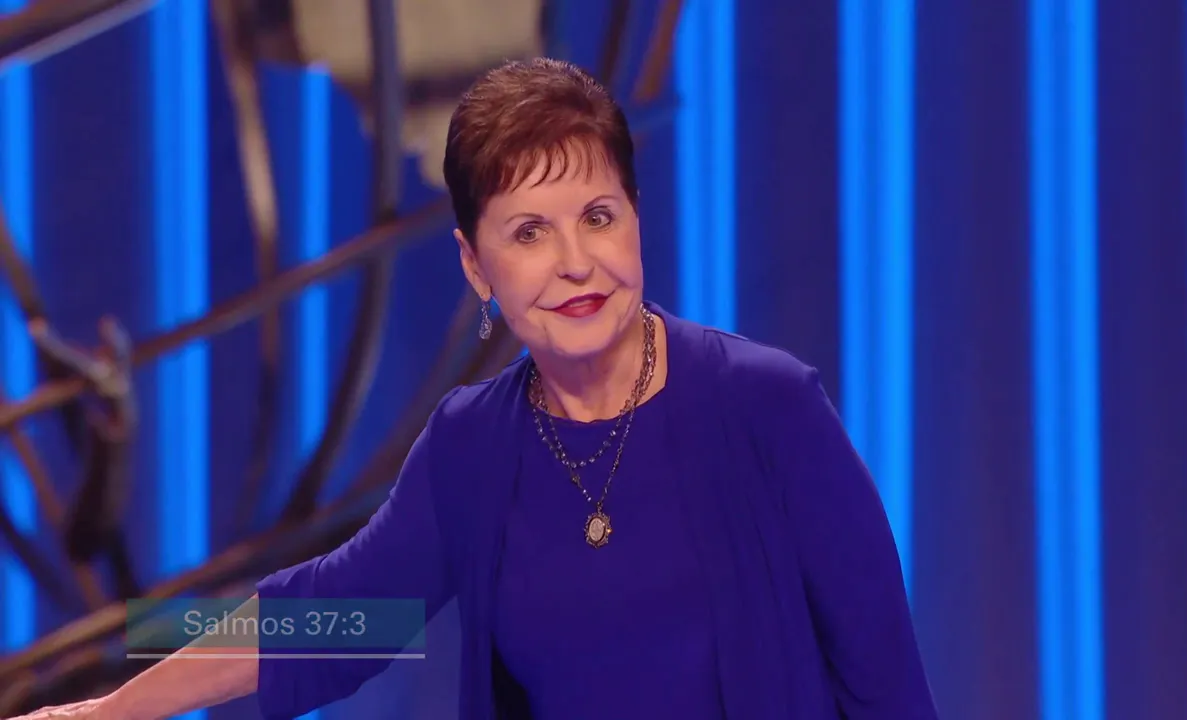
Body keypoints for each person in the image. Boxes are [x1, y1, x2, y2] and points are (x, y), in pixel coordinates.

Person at [11, 57, 937, 720]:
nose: (575, 263)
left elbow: (885, 681)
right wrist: (113, 711)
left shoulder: (766, 406)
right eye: (529, 232)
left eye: (598, 216)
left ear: (636, 220)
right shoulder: (472, 447)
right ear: (475, 265)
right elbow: (333, 616)